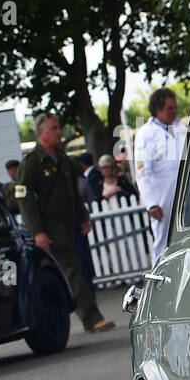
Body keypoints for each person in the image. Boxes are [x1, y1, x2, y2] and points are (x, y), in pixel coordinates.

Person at [15, 114, 114, 333]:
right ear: (41, 133)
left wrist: (83, 217)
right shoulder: (32, 163)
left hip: (70, 224)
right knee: (72, 271)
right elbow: (25, 199)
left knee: (82, 269)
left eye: (59, 127)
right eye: (54, 128)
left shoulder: (62, 158)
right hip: (51, 228)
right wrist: (38, 231)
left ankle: (86, 313)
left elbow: (72, 192)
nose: (59, 132)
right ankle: (91, 317)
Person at [135, 87, 186, 260]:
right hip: (162, 197)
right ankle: (159, 280)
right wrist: (151, 203)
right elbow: (142, 172)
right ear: (158, 109)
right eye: (169, 108)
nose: (174, 111)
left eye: (175, 107)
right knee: (163, 241)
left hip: (187, 195)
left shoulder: (182, 128)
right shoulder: (145, 134)